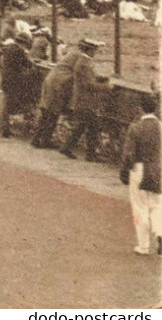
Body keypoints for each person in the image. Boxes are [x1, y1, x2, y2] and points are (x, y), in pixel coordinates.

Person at [119, 92, 160, 255]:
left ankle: (143, 246)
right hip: (157, 168)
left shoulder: (135, 128)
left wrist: (124, 171)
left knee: (140, 207)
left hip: (139, 168)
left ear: (140, 108)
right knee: (156, 204)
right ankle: (160, 232)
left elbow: (129, 154)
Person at [59, 38, 111, 161]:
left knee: (82, 126)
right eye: (94, 50)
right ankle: (90, 154)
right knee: (92, 126)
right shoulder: (84, 64)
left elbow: (88, 80)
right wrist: (106, 86)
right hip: (85, 100)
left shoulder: (83, 62)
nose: (95, 52)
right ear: (89, 50)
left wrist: (100, 78)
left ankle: (68, 148)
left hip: (82, 100)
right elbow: (88, 85)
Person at [32, 44, 77, 148]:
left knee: (45, 113)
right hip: (57, 86)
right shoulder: (80, 57)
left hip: (51, 83)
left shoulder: (71, 55)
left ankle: (36, 139)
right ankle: (45, 141)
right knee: (52, 114)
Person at [0, 36, 37, 139]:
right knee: (7, 104)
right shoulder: (19, 50)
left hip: (5, 78)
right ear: (23, 43)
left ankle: (3, 127)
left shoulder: (6, 48)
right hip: (13, 80)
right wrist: (32, 65)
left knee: (4, 102)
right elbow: (27, 64)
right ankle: (5, 130)